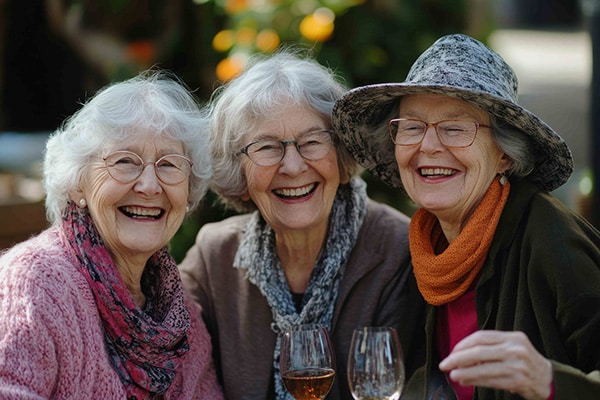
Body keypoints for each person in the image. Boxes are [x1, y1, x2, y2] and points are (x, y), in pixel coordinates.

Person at [332, 33, 600, 399]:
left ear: (505, 154)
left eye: (455, 128)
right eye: (412, 126)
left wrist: (547, 381)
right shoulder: (429, 247)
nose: (428, 146)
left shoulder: (550, 236)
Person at [178, 51, 425, 400]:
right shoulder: (215, 256)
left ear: (341, 153)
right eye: (266, 147)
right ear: (240, 170)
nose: (293, 167)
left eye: (312, 142)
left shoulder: (399, 250)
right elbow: (166, 353)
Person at [0, 71, 224, 399]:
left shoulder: (178, 316)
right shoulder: (34, 283)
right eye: (124, 161)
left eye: (169, 165)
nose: (149, 185)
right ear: (78, 185)